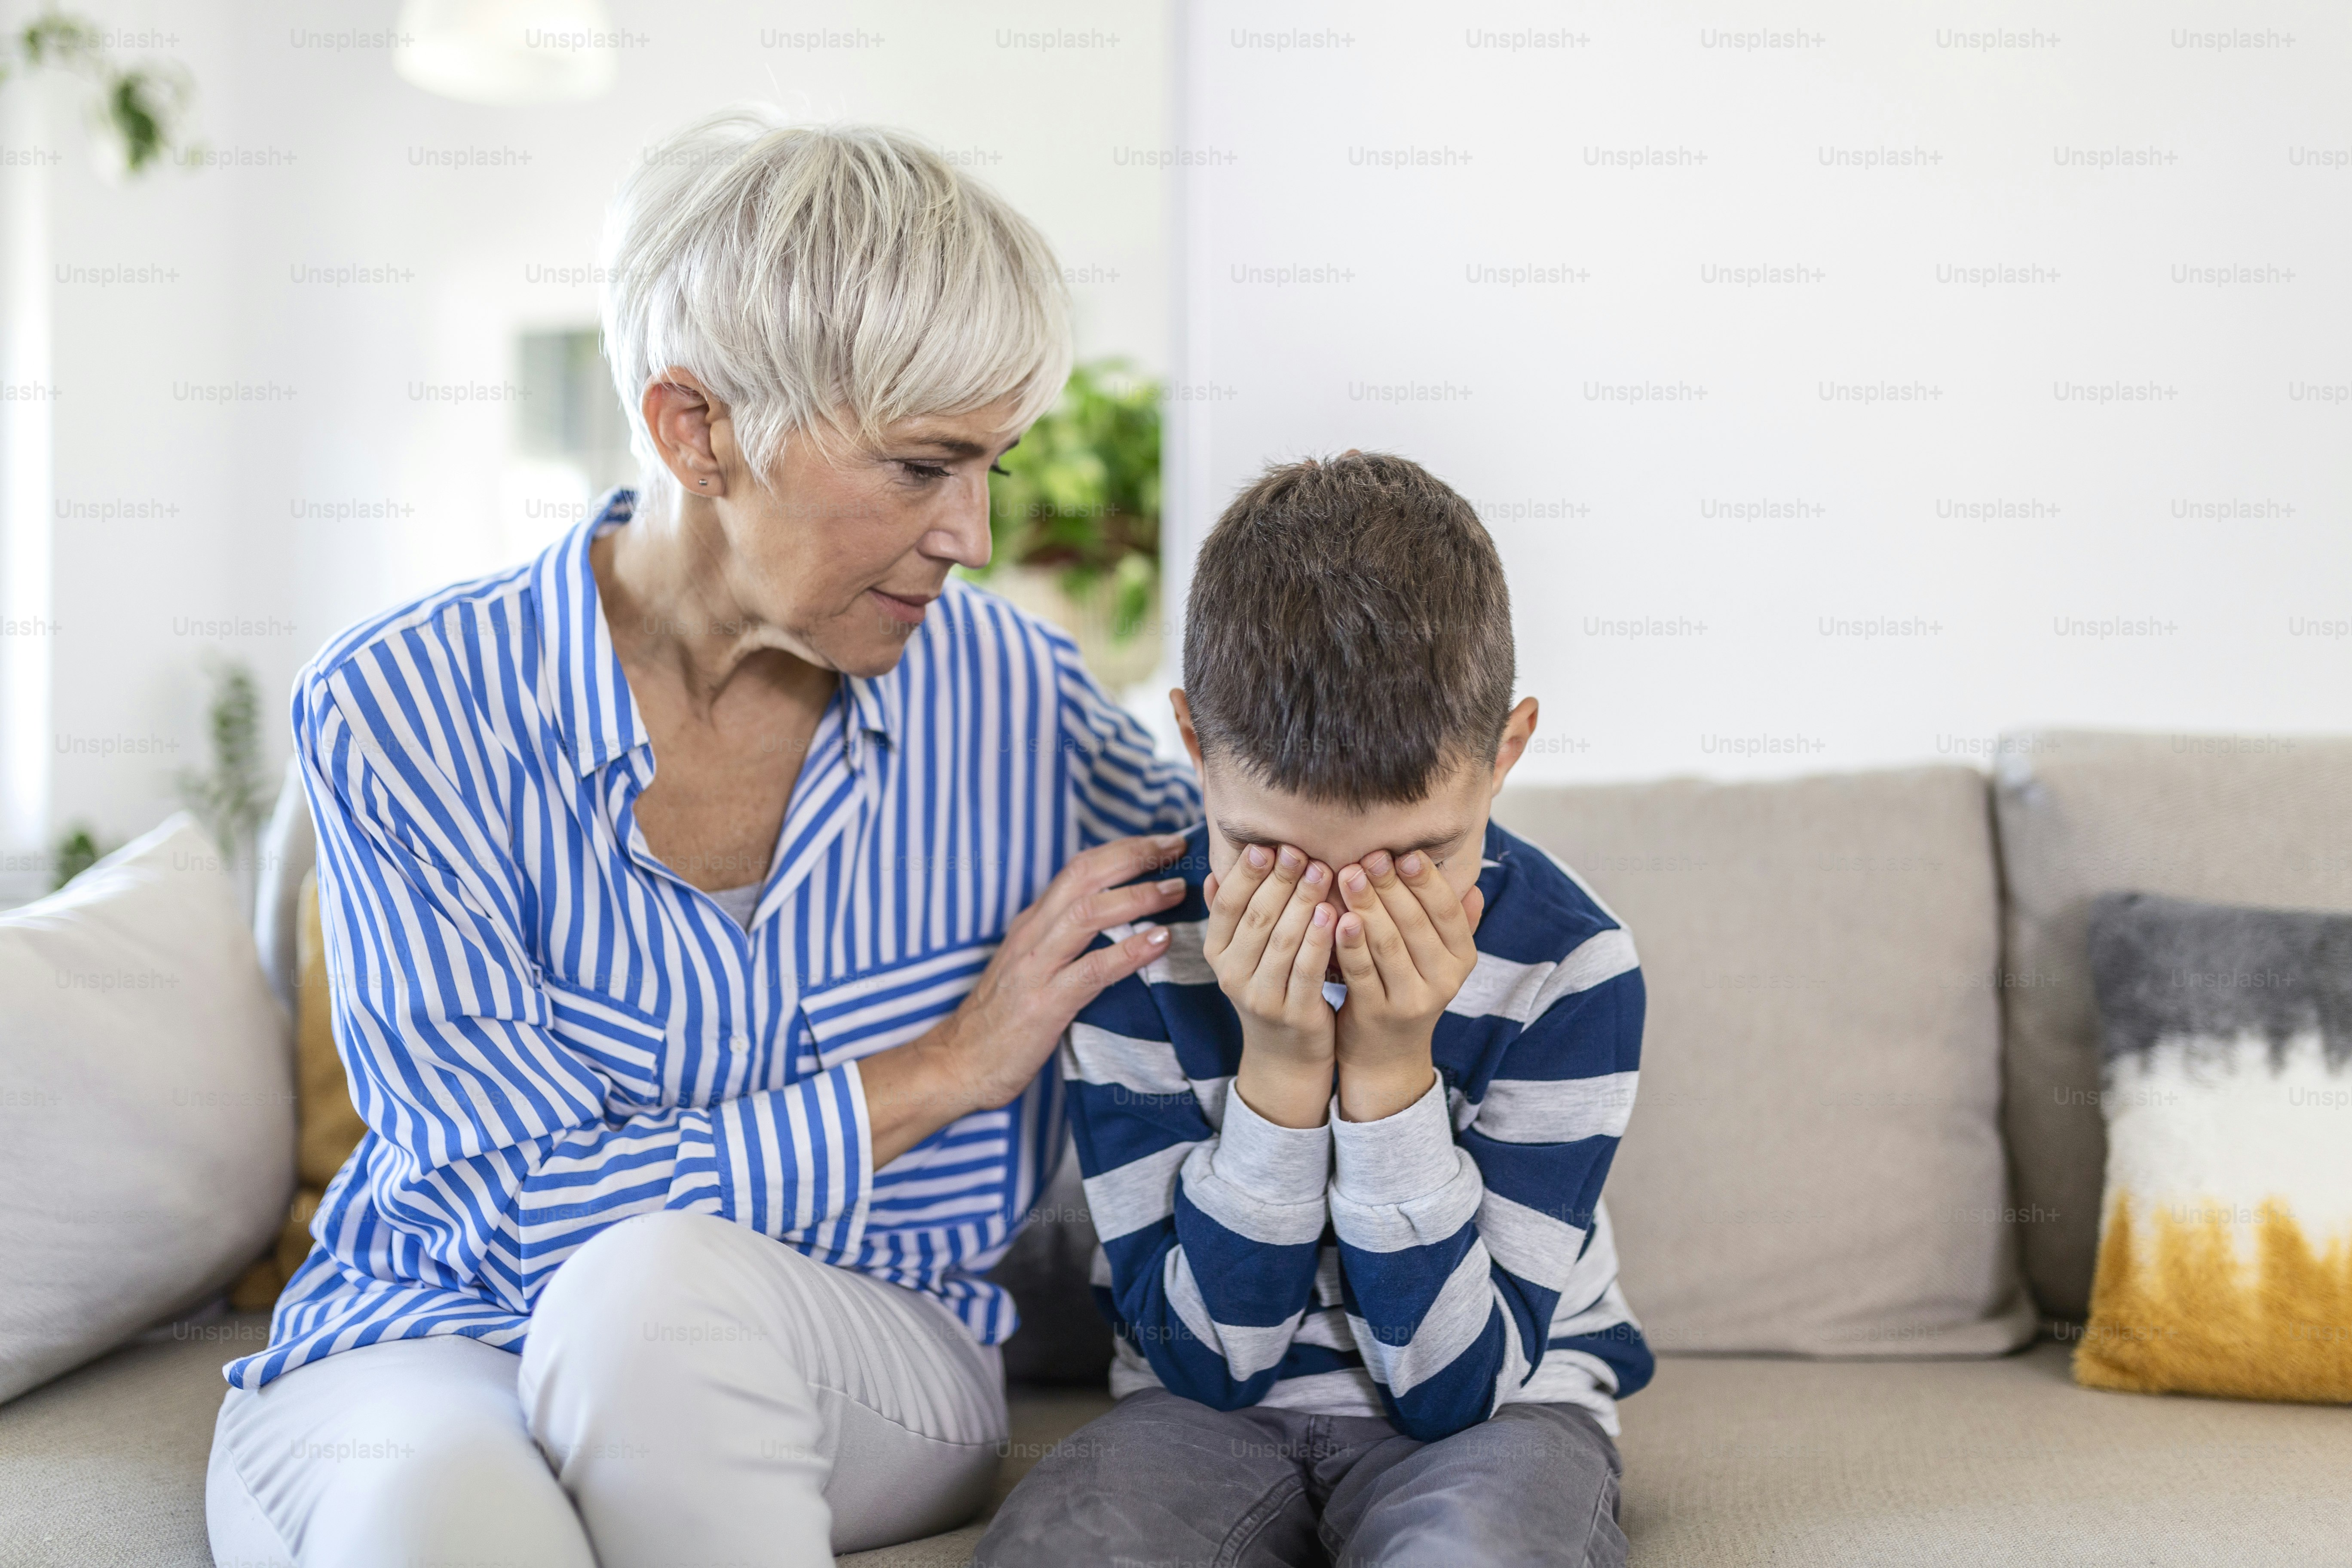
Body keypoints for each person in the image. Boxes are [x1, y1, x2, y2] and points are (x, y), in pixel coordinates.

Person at [203, 108, 1198, 1568]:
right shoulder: (406, 708)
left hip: (863, 1353)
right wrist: (937, 1076)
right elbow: (503, 1212)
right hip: (441, 1335)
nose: (974, 536)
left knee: (656, 1299)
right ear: (698, 428)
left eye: (994, 465)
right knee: (439, 1526)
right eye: (923, 468)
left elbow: (1288, 860)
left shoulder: (1015, 698)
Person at [980, 453, 1652, 1568]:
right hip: (1204, 1416)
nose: (1343, 917)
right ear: (1194, 746)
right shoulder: (1137, 956)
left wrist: (1389, 1077)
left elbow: (1456, 1386)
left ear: (1504, 757)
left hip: (1502, 1416)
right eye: (1276, 855)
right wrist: (1281, 1074)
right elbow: (1210, 1364)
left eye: (1415, 858)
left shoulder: (1573, 968)